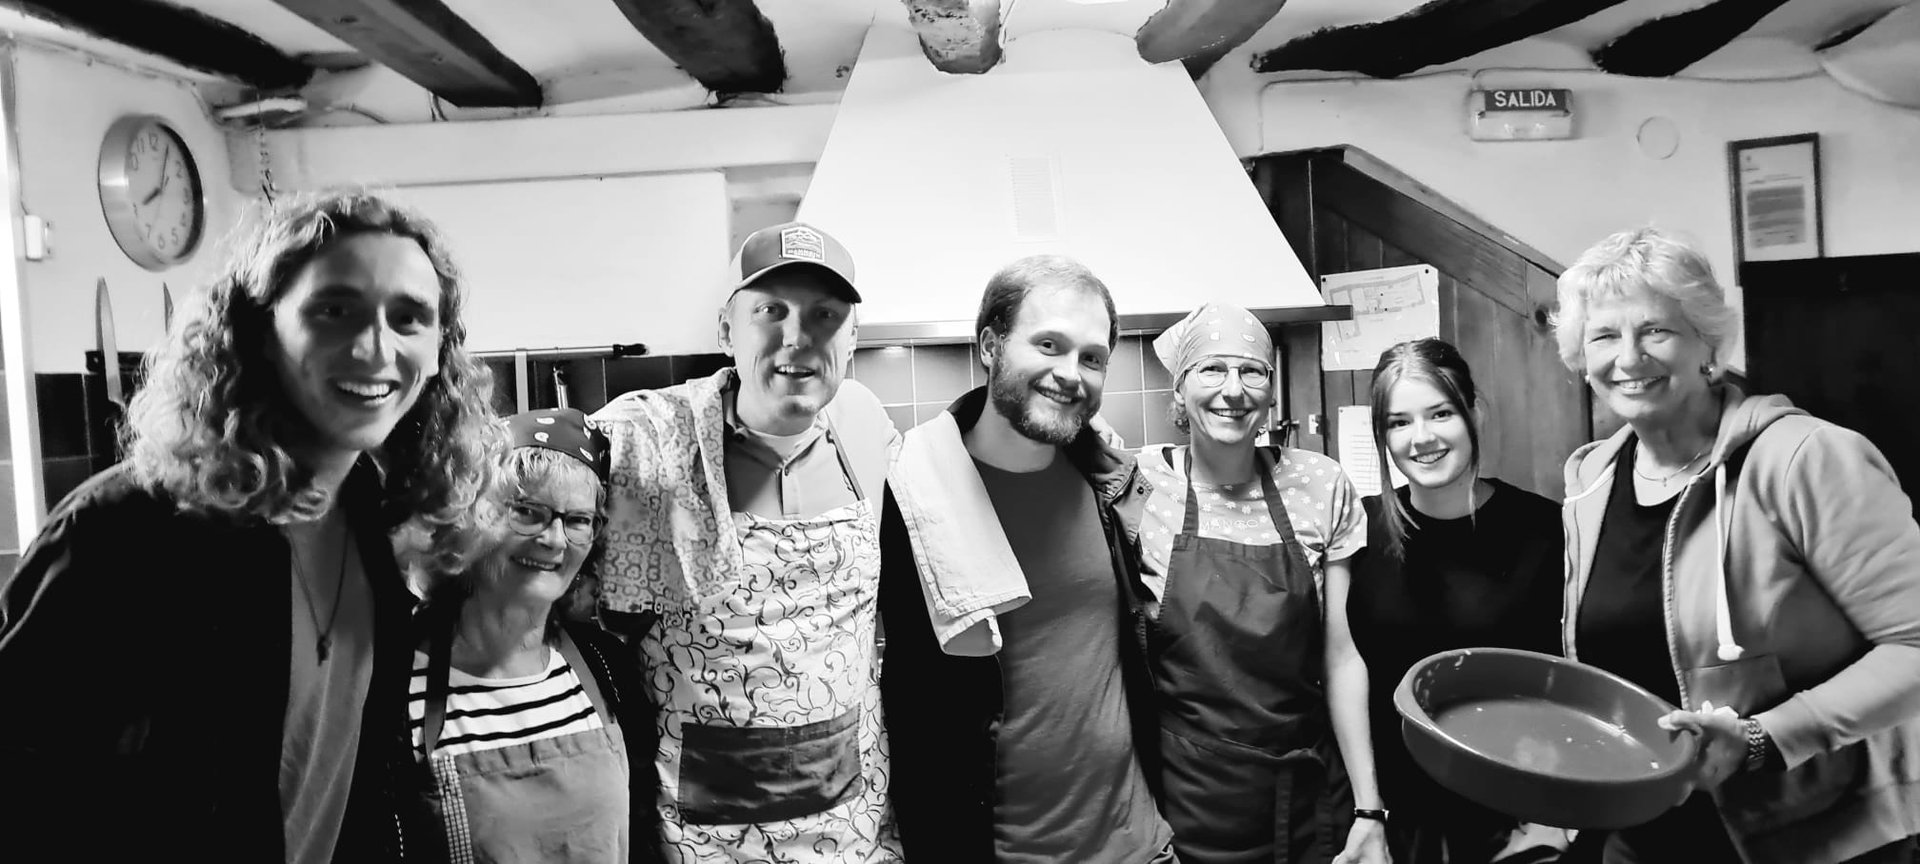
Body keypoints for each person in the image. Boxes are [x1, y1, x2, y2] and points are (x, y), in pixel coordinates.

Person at [0, 190, 501, 862]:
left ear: (439, 350)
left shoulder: (378, 519)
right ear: (260, 332)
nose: (375, 346)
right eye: (333, 310)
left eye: (409, 318)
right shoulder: (125, 530)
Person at [1554, 227, 1920, 864]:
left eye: (1657, 331)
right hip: (1644, 832)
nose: (1629, 358)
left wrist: (1762, 738)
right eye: (1605, 336)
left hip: (1817, 834)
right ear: (1582, 360)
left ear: (1709, 349)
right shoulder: (1589, 480)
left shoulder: (1805, 457)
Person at [590, 222, 903, 862]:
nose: (798, 337)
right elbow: (524, 469)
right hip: (707, 835)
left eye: (824, 314)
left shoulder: (866, 427)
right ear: (727, 331)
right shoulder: (651, 435)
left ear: (853, 337)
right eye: (770, 311)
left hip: (854, 826)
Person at [879, 254, 1174, 863]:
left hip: (1139, 847)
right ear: (990, 345)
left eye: (1092, 357)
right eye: (1048, 344)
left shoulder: (1108, 486)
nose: (1072, 374)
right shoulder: (912, 497)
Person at [1129, 303, 1384, 864]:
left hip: (1310, 789)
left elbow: (1342, 657)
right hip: (1189, 800)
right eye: (1211, 369)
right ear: (1180, 389)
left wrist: (1370, 809)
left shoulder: (1321, 483)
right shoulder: (1137, 487)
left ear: (1271, 390)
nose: (1233, 389)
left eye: (1252, 371)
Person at [1345, 338, 1567, 864]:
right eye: (1398, 423)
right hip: (1399, 822)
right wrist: (1367, 811)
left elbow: (1567, 675)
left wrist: (1556, 810)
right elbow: (1346, 669)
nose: (1420, 438)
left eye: (1440, 413)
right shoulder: (1357, 529)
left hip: (1521, 818)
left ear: (1474, 412)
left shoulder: (1546, 529)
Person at [405, 408, 659, 863]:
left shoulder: (604, 668)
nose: (555, 539)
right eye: (527, 512)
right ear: (473, 517)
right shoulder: (394, 680)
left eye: (578, 519)